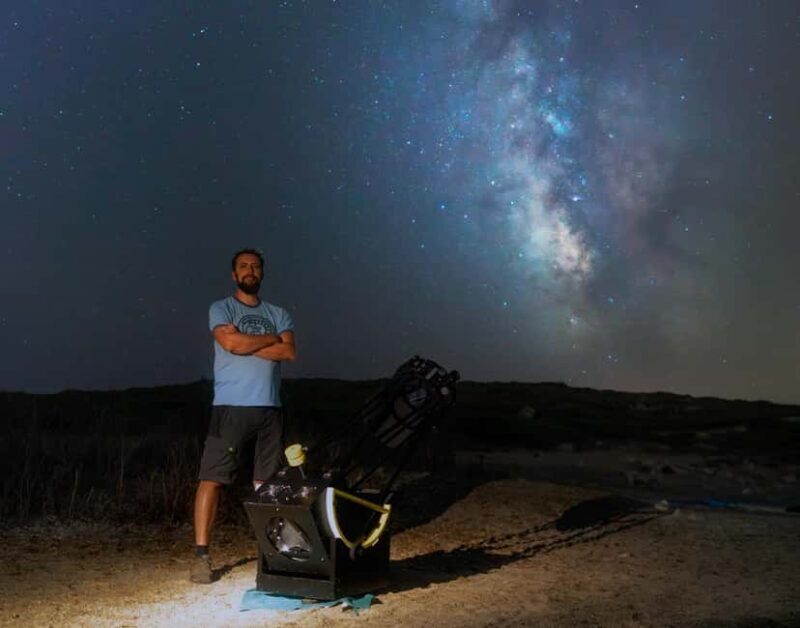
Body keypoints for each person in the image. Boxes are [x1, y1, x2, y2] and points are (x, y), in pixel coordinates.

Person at [190, 248, 296, 584]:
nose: (250, 270)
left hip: (270, 408)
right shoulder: (221, 308)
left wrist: (244, 339)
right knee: (213, 477)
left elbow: (288, 351)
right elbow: (231, 345)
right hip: (230, 407)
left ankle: (274, 554)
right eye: (243, 266)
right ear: (234, 275)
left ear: (262, 272)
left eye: (256, 266)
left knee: (268, 484)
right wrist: (268, 339)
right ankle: (202, 556)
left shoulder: (279, 312)